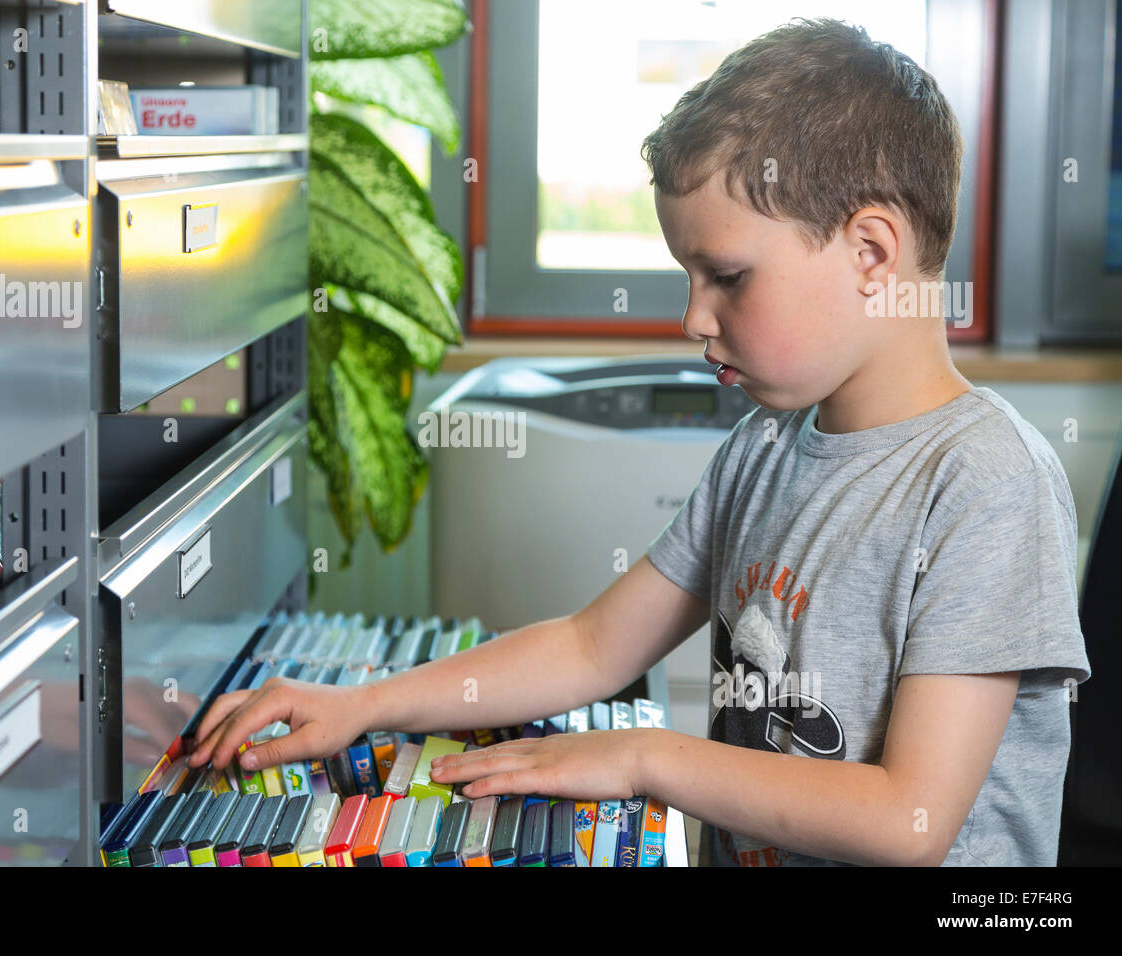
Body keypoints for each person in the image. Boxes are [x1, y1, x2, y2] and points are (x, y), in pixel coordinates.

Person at [188, 18, 1090, 866]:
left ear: (870, 253)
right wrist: (362, 705)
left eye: (727, 276)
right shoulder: (761, 452)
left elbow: (912, 821)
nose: (694, 317)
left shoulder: (987, 483)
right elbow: (591, 647)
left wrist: (642, 758)